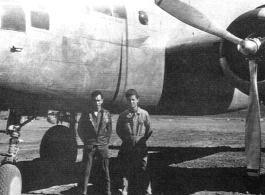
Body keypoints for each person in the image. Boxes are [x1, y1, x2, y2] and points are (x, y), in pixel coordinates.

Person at [116, 89, 153, 195]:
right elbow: (119, 130)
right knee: (126, 167)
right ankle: (125, 189)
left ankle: (147, 190)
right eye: (129, 100)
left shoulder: (144, 114)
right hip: (127, 145)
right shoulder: (123, 115)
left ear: (137, 100)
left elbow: (149, 130)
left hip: (140, 145)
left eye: (133, 100)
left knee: (143, 167)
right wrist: (127, 140)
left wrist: (142, 140)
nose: (131, 102)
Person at [77, 90, 112, 195]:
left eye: (98, 100)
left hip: (102, 145)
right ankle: (83, 192)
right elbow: (80, 129)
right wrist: (87, 141)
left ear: (102, 101)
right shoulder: (86, 114)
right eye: (94, 100)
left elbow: (109, 130)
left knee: (105, 171)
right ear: (91, 101)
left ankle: (107, 192)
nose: (97, 103)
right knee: (85, 172)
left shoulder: (107, 113)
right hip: (90, 145)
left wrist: (104, 143)